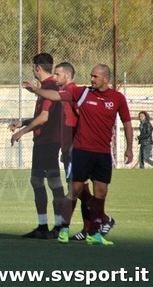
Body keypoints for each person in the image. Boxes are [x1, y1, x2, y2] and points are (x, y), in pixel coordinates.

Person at [23, 64, 133, 245]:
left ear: (106, 79)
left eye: (95, 76)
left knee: (101, 193)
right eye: (91, 75)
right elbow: (56, 96)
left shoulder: (117, 98)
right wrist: (36, 89)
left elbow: (127, 123)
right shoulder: (82, 93)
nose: (91, 79)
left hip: (103, 152)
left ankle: (94, 232)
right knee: (75, 190)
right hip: (81, 151)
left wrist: (129, 148)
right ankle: (64, 229)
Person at [53, 62, 114, 241]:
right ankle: (90, 228)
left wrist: (74, 146)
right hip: (71, 150)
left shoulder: (74, 93)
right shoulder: (66, 94)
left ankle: (101, 220)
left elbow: (84, 120)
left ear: (67, 75)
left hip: (79, 151)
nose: (55, 78)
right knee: (80, 191)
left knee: (78, 191)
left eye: (57, 74)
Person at [9, 53, 64, 239]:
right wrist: (23, 122)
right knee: (38, 181)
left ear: (38, 68)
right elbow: (40, 116)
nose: (33, 70)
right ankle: (43, 226)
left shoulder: (49, 87)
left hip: (48, 142)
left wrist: (21, 133)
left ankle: (57, 227)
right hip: (43, 142)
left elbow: (44, 117)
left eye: (33, 67)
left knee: (54, 183)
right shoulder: (45, 88)